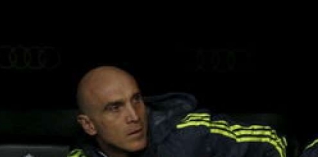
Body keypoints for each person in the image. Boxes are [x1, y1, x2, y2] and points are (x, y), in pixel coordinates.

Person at [69, 66, 286, 157]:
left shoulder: (189, 134)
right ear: (88, 125)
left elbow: (271, 142)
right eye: (115, 108)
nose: (134, 116)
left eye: (136, 100)